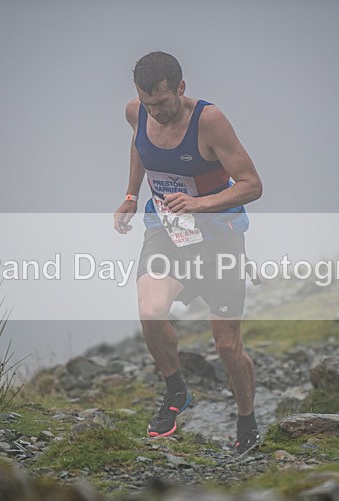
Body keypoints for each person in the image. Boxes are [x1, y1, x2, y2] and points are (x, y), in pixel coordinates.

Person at [113, 51, 263, 455]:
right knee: (151, 312)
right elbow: (140, 146)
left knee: (228, 346)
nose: (155, 112)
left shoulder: (209, 121)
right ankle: (176, 391)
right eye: (147, 103)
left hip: (219, 237)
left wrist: (199, 204)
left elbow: (252, 184)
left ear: (181, 88)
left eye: (162, 102)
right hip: (167, 231)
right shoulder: (137, 112)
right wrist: (131, 196)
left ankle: (246, 420)